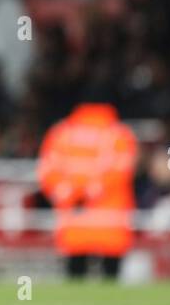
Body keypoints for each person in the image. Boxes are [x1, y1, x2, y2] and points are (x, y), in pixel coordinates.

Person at [37, 102, 137, 279]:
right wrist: (92, 191)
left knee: (75, 275)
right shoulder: (118, 133)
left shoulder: (61, 133)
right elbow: (122, 170)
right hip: (110, 220)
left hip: (74, 217)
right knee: (111, 277)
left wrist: (68, 193)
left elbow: (47, 171)